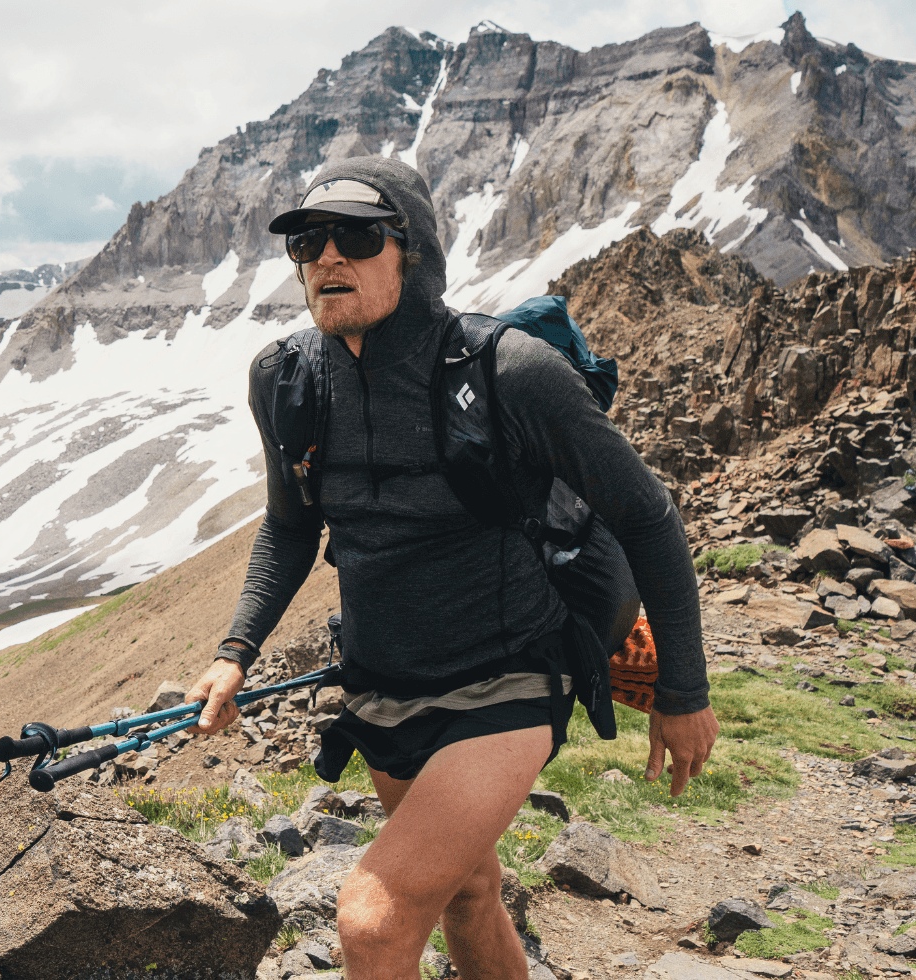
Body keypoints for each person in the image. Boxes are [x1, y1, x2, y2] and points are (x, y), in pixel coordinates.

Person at [183, 156, 719, 979]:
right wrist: (235, 652)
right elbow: (290, 528)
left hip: (509, 677)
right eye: (308, 241)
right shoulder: (287, 380)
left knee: (372, 924)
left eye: (358, 237)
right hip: (380, 683)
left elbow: (646, 516)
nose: (328, 256)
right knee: (466, 891)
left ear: (414, 249)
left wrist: (683, 692)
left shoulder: (510, 371)